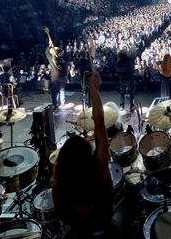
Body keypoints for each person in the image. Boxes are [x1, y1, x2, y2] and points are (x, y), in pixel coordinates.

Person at [52, 71, 113, 238]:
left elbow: (61, 213)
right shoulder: (99, 167)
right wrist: (94, 89)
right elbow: (99, 123)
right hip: (104, 229)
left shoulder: (59, 186)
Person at [44, 27, 67, 109]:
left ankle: (55, 104)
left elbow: (47, 53)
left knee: (55, 92)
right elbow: (65, 70)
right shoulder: (63, 60)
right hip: (61, 78)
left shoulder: (52, 59)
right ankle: (62, 103)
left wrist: (49, 46)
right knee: (61, 91)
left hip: (54, 78)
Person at [116, 45, 135, 110]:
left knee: (122, 92)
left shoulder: (119, 63)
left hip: (123, 79)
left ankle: (122, 105)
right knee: (130, 92)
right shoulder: (129, 61)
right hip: (128, 78)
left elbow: (118, 71)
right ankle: (132, 105)